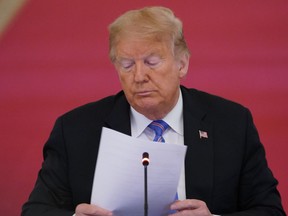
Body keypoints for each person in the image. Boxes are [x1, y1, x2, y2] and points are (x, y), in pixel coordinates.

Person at [22, 6, 286, 216]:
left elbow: (270, 210)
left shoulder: (232, 123)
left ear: (182, 64)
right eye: (127, 64)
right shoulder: (76, 130)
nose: (139, 76)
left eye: (151, 62)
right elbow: (35, 210)